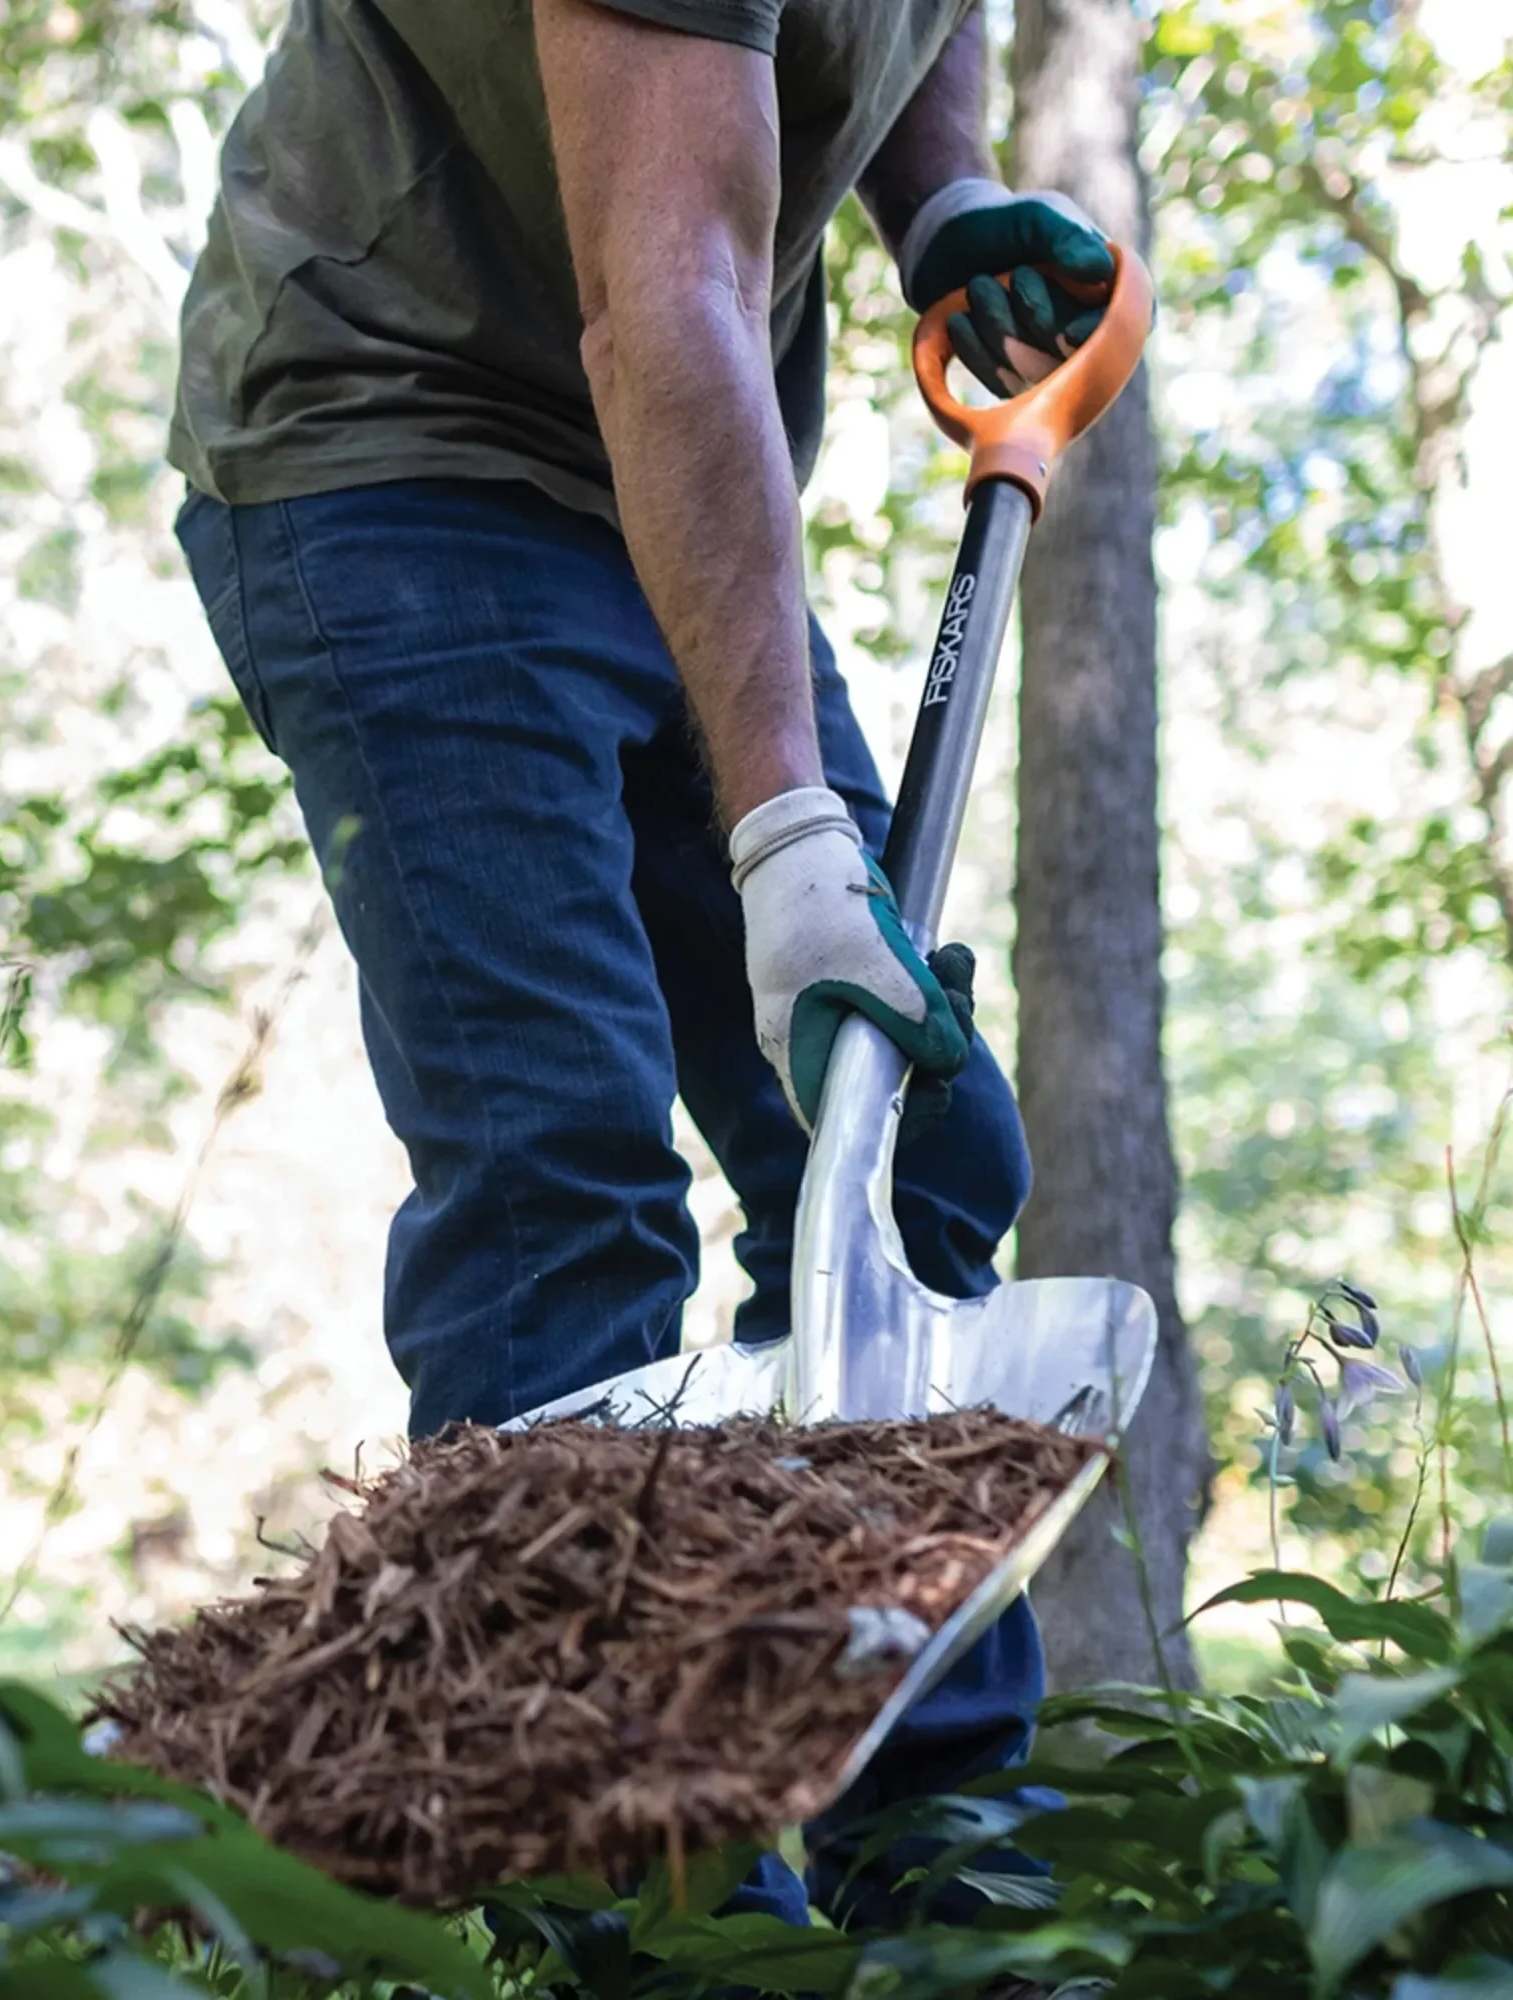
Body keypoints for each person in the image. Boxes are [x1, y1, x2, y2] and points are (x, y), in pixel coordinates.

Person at [169, 0, 1120, 1935]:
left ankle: (938, 1866)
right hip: (394, 450)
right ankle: (635, 1906)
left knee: (906, 1145)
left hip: (675, 479)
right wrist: (782, 843)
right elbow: (666, 284)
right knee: (561, 1186)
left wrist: (938, 196)